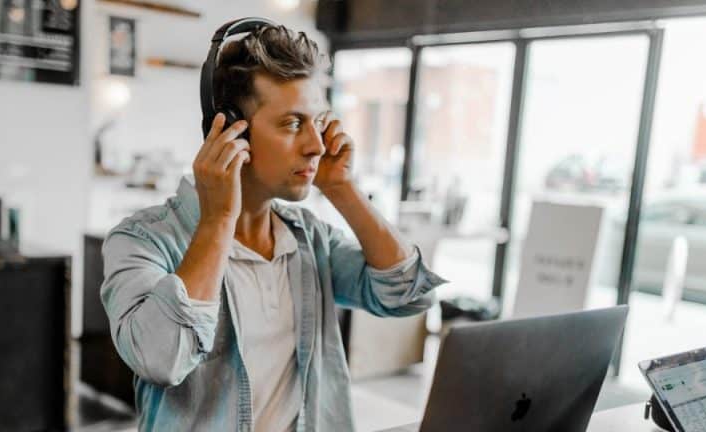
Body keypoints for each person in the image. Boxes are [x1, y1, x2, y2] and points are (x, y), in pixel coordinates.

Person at [100, 21, 446, 432]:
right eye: (292, 124)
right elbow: (161, 359)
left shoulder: (309, 237)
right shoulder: (143, 241)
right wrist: (217, 219)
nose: (317, 144)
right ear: (229, 130)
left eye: (318, 122)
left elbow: (404, 294)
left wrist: (343, 188)